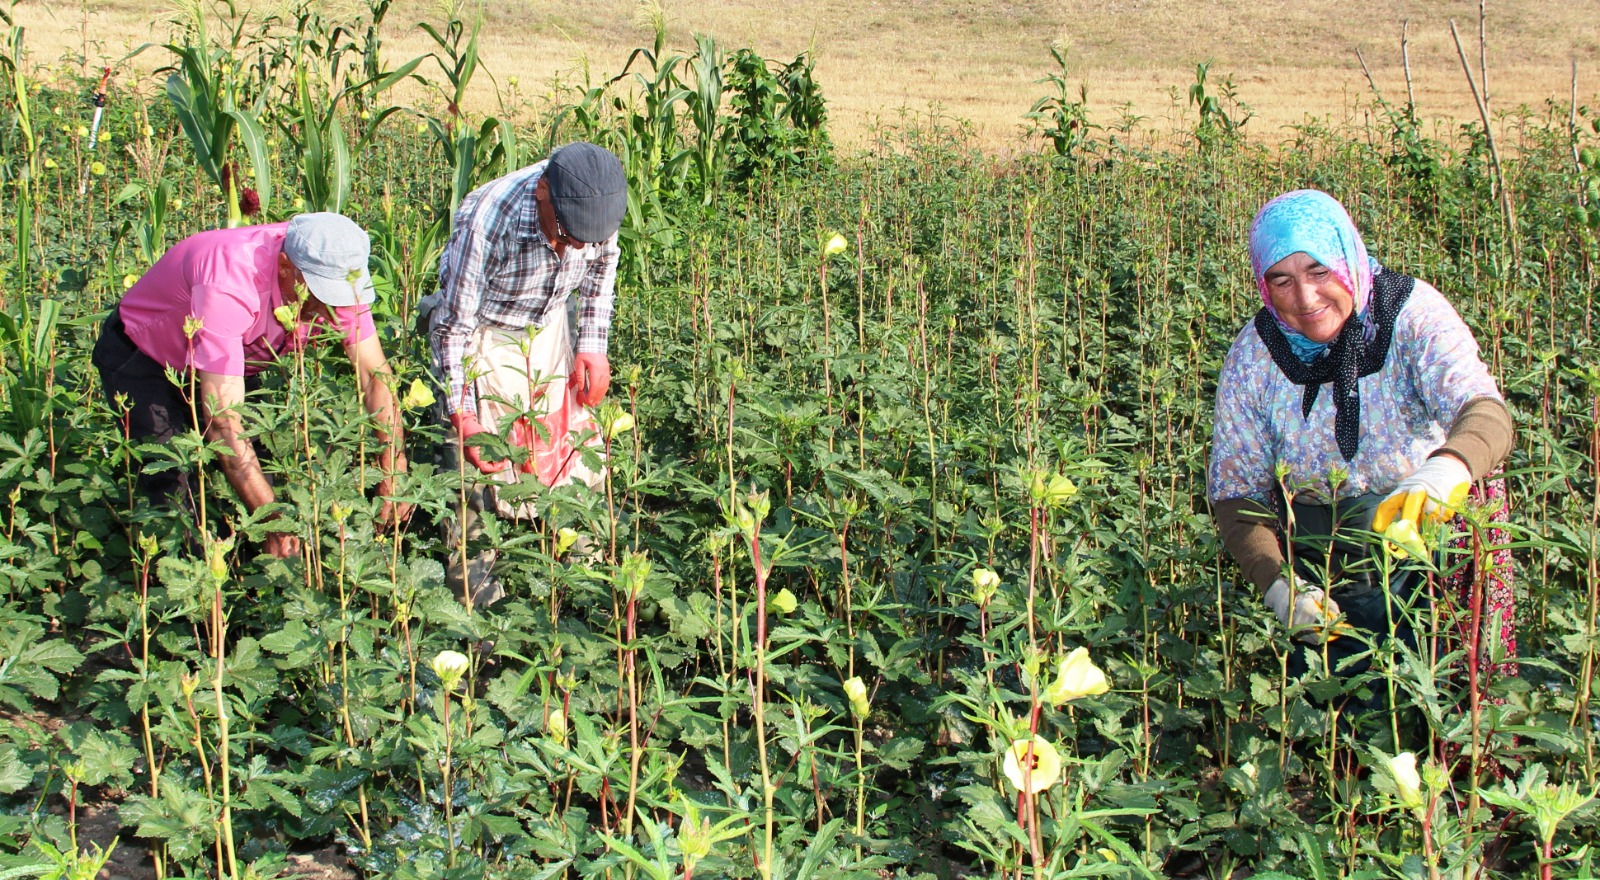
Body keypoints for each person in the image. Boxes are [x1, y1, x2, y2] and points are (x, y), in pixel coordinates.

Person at [1207, 189, 1516, 703]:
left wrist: (1446, 469)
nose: (1305, 300)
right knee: (1347, 719)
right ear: (1263, 284)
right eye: (1282, 281)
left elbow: (1485, 411)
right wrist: (1279, 584)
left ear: (1348, 259)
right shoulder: (1254, 356)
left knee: (1449, 702)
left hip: (1429, 543)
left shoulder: (1410, 314)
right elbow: (1235, 494)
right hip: (1325, 566)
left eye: (1320, 272)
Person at [94, 213, 410, 558]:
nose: (328, 310)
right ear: (286, 266)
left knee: (260, 475)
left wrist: (393, 470)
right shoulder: (229, 280)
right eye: (321, 294)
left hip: (234, 360)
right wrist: (272, 520)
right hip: (148, 359)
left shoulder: (335, 268)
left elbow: (374, 376)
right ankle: (195, 591)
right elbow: (224, 421)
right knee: (175, 491)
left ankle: (255, 578)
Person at [425, 141, 627, 605]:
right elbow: (453, 328)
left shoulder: (596, 204)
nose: (576, 246)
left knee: (578, 460)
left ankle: (585, 600)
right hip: (485, 337)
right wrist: (464, 415)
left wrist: (593, 346)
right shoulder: (488, 218)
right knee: (473, 480)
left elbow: (601, 273)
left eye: (586, 239)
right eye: (567, 234)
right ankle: (481, 627)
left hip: (551, 328)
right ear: (542, 194)